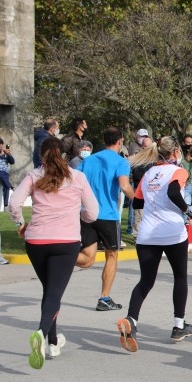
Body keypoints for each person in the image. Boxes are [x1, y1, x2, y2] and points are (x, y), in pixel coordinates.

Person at [9, 136, 99, 369]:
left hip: (36, 241)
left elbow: (14, 203)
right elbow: (93, 212)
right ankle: (41, 332)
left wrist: (20, 223)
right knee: (54, 293)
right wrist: (81, 217)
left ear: (41, 155)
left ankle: (52, 342)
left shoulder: (34, 176)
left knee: (50, 292)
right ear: (64, 154)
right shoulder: (77, 177)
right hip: (65, 241)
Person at [116, 137, 192, 352]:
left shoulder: (148, 173)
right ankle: (179, 326)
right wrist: (187, 210)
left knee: (146, 280)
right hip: (172, 233)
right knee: (180, 277)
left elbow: (139, 202)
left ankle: (131, 320)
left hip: (147, 235)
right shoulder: (178, 171)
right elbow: (172, 192)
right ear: (175, 153)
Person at [76, 126, 134, 311]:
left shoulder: (89, 160)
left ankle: (61, 255)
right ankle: (104, 298)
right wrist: (140, 199)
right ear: (120, 141)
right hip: (108, 215)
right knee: (112, 255)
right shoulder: (120, 161)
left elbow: (75, 181)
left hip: (87, 214)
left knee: (87, 259)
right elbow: (124, 186)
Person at [0, 138, 15, 210]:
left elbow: (12, 162)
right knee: (2, 176)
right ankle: (11, 186)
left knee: (6, 187)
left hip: (4, 174)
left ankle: (6, 205)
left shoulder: (6, 154)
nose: (0, 146)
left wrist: (9, 154)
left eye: (1, 144)